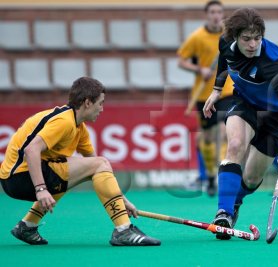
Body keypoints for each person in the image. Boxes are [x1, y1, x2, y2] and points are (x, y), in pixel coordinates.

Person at [0, 77, 160, 246]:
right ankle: (123, 231)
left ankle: (27, 226)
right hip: (19, 178)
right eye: (100, 103)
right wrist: (41, 189)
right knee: (92, 165)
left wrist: (122, 202)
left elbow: (100, 171)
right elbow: (31, 150)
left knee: (73, 170)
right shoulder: (64, 122)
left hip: (15, 178)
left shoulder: (79, 128)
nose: (102, 109)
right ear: (87, 102)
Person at [203, 8, 278, 239]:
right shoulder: (225, 42)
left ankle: (234, 203)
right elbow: (224, 61)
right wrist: (217, 90)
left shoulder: (275, 64)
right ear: (235, 37)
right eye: (246, 39)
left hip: (277, 115)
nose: (252, 44)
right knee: (235, 144)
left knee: (251, 178)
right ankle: (224, 213)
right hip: (245, 101)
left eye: (257, 38)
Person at [177, 0, 234, 196]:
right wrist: (199, 69)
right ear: (207, 15)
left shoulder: (229, 35)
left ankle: (222, 172)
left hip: (226, 91)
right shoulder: (196, 37)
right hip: (203, 94)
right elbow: (181, 61)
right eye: (212, 12)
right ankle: (210, 175)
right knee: (208, 138)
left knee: (223, 131)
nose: (216, 15)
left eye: (219, 12)